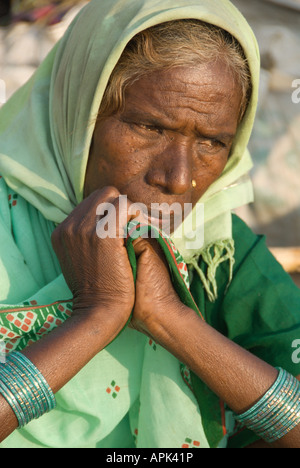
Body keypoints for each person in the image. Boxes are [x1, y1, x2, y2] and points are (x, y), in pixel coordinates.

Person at [0, 0, 299, 449]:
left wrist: (172, 320)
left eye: (212, 141)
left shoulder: (216, 250)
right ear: (78, 112)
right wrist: (96, 317)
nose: (178, 179)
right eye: (148, 127)